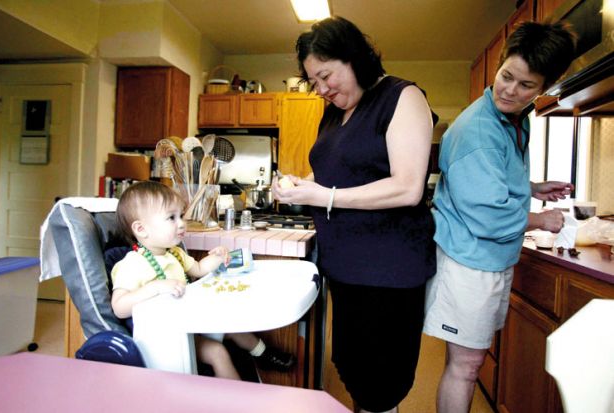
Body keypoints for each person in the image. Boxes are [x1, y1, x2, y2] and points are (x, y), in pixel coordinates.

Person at [272, 16, 437, 413]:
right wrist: (301, 183)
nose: (322, 89)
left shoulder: (402, 97)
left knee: (381, 383)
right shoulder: (334, 113)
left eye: (326, 75)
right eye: (313, 82)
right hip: (345, 267)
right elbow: (337, 174)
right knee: (352, 369)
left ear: (354, 58)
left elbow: (408, 186)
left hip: (388, 271)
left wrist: (324, 196)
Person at [422, 21, 577, 413]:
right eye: (506, 76)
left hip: (487, 260)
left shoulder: (512, 117)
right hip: (468, 263)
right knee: (467, 365)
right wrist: (542, 220)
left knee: (466, 363)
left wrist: (533, 187)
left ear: (541, 88)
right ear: (500, 64)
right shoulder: (478, 130)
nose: (510, 90)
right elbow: (488, 214)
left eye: (526, 85)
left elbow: (492, 178)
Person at [110, 180, 294, 380]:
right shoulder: (133, 264)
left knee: (230, 323)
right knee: (217, 353)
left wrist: (217, 257)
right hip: (168, 336)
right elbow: (119, 307)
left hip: (190, 321)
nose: (181, 223)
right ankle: (236, 401)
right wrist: (155, 287)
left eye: (181, 215)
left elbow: (198, 269)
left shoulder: (175, 254)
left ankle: (263, 353)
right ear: (141, 229)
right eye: (171, 218)